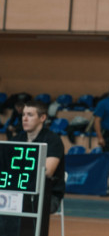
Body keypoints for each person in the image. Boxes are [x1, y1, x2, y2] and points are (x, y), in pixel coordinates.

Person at [0, 100, 66, 236]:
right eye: (23, 114)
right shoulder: (17, 139)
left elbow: (47, 171)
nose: (24, 118)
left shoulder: (53, 140)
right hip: (16, 192)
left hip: (48, 195)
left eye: (30, 115)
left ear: (42, 118)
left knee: (22, 205)